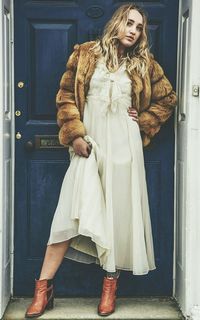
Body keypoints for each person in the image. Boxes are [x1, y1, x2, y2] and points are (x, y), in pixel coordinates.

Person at [25, 3, 177, 318]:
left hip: (125, 150)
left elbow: (168, 98)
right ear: (117, 22)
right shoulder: (84, 54)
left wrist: (145, 119)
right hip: (89, 147)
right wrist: (75, 135)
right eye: (130, 23)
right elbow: (66, 96)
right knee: (69, 215)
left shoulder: (144, 64)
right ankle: (43, 287)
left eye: (139, 27)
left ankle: (110, 286)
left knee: (118, 219)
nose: (134, 31)